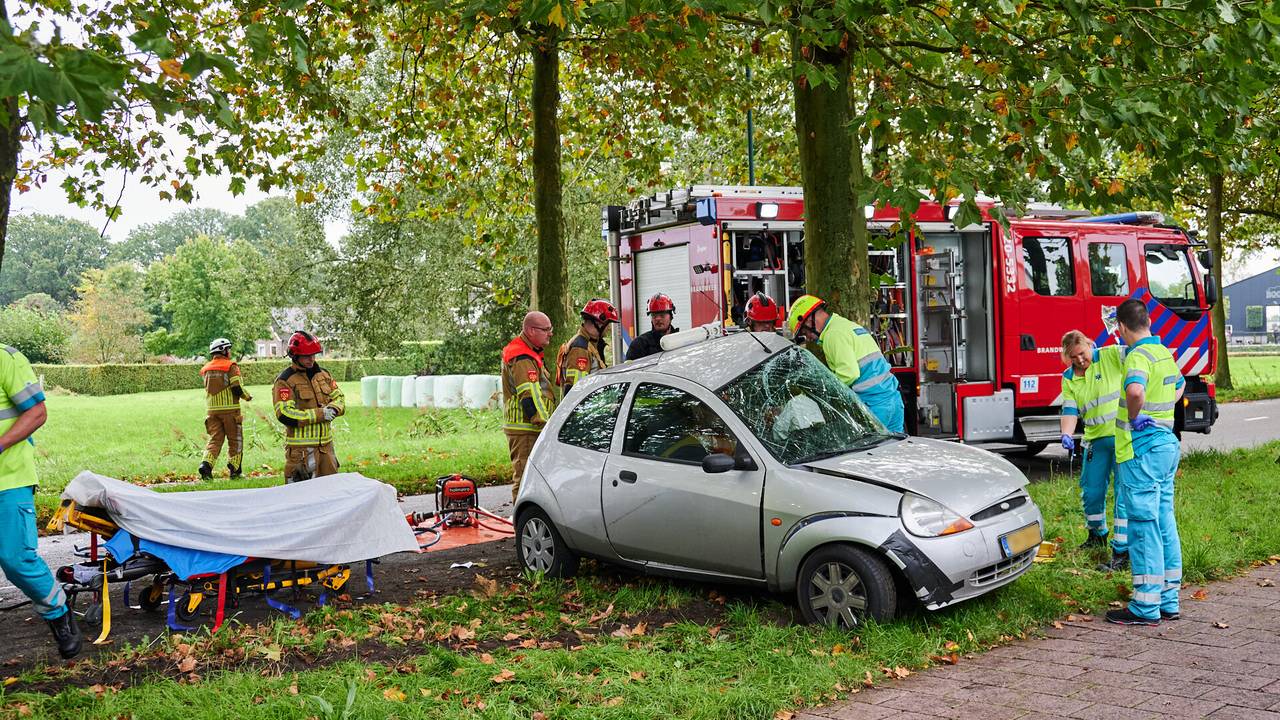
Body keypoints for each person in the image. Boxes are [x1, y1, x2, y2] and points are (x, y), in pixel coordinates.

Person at [1105, 298, 1184, 626]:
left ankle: (1145, 605)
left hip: (1142, 450)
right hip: (1167, 444)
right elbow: (1179, 388)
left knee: (1143, 524)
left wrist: (1138, 417)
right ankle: (1168, 598)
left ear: (1121, 328)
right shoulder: (1163, 352)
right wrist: (1159, 412)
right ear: (1148, 322)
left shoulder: (1137, 355)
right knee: (1165, 520)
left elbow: (1135, 391)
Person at [0, 345, 81, 658]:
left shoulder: (6, 359)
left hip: (9, 478)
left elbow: (37, 412)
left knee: (16, 559)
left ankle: (57, 611)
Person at [786, 294, 905, 433]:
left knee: (868, 453)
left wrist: (825, 391)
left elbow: (849, 374)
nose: (808, 337)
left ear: (809, 320)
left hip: (875, 406)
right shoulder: (845, 325)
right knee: (894, 450)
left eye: (804, 331)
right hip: (893, 401)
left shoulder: (833, 335)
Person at [1059, 330, 1128, 566]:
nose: (1079, 360)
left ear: (1089, 345)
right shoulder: (1069, 377)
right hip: (1095, 440)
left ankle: (1122, 550)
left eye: (1082, 353)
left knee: (1122, 494)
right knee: (1091, 491)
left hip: (1122, 436)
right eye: (1073, 357)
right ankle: (1096, 535)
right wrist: (1066, 434)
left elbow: (1139, 353)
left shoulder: (1109, 356)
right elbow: (1069, 410)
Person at [272, 331, 345, 483]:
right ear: (295, 356)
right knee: (299, 498)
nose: (311, 359)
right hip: (301, 453)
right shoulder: (285, 380)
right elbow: (285, 414)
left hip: (326, 450)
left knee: (332, 494)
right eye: (306, 356)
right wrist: (320, 414)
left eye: (313, 354)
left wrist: (334, 408)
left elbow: (339, 397)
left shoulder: (324, 375)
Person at [502, 312, 557, 502]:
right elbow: (530, 397)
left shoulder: (529, 352)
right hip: (526, 428)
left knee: (532, 478)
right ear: (531, 330)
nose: (550, 333)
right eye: (546, 329)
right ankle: (522, 525)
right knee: (524, 478)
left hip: (529, 428)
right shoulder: (523, 356)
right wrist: (547, 426)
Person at [199, 337, 252, 481]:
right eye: (228, 349)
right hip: (230, 411)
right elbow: (236, 387)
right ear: (224, 351)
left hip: (212, 411)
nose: (230, 352)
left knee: (215, 440)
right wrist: (246, 396)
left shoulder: (206, 369)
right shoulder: (231, 366)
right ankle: (235, 471)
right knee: (236, 440)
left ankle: (205, 466)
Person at [556, 299, 618, 393]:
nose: (609, 329)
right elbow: (575, 390)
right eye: (608, 324)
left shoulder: (589, 345)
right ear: (599, 323)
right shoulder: (580, 348)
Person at [625, 293, 679, 361]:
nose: (658, 319)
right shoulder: (639, 344)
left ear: (671, 317)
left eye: (662, 315)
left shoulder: (679, 341)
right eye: (654, 315)